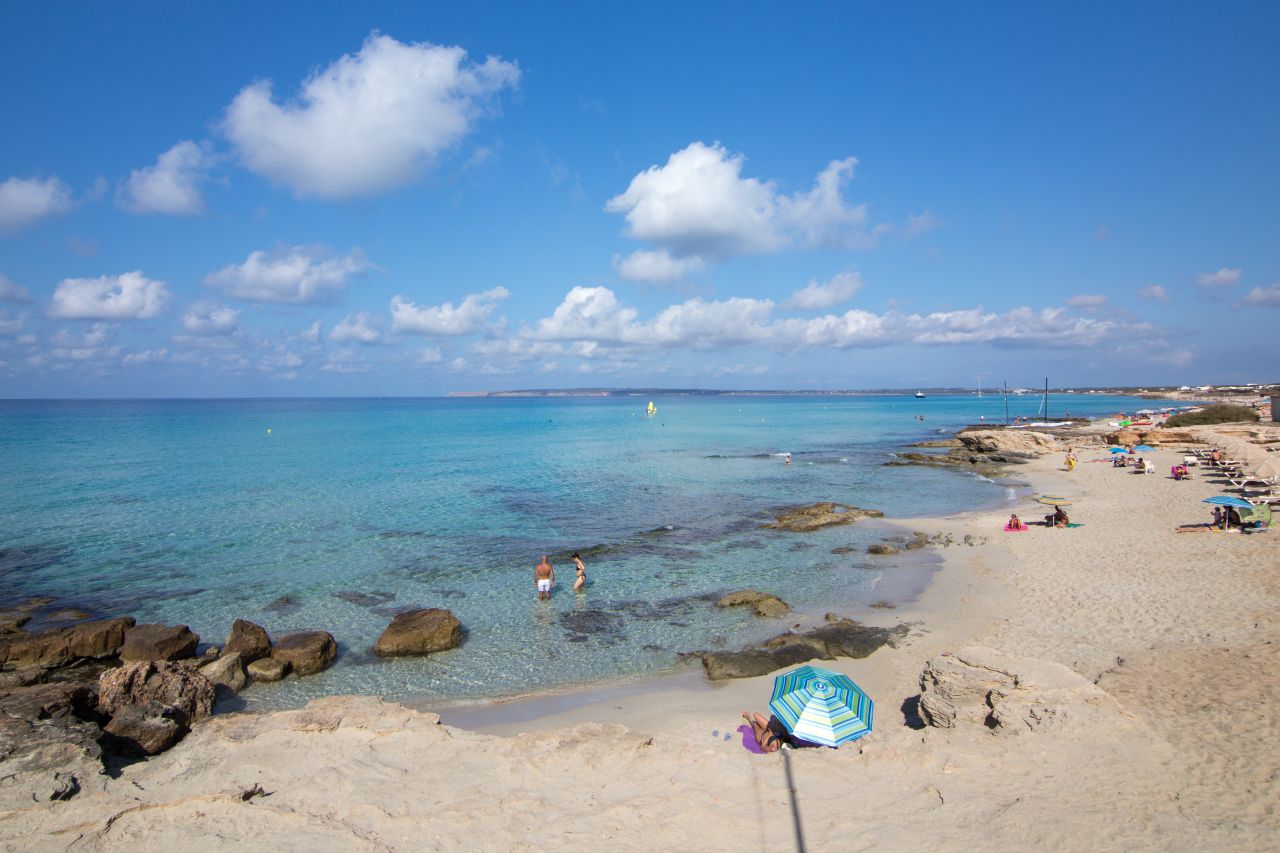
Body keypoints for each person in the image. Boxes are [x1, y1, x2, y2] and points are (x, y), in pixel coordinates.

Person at [741, 711, 818, 753]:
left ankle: (748, 717)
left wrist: (769, 735)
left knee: (755, 725)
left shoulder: (773, 747)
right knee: (756, 714)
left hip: (763, 736)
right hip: (772, 730)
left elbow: (762, 747)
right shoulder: (784, 737)